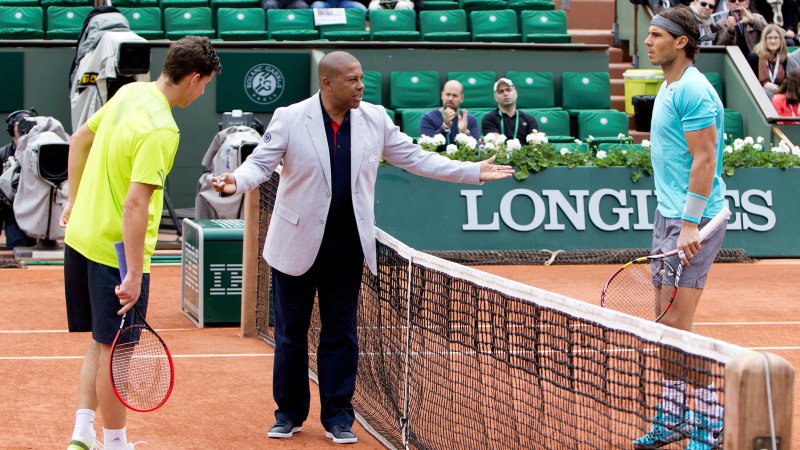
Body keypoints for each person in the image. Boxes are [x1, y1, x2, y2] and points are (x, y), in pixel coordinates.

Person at [210, 51, 513, 445]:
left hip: (347, 247)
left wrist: (469, 171)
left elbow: (415, 159)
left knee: (342, 335)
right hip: (295, 242)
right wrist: (236, 181)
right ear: (327, 83)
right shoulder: (289, 117)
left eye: (362, 78)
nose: (361, 86)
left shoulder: (375, 118)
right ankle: (288, 414)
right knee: (289, 335)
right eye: (352, 79)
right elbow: (261, 165)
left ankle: (338, 417)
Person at [60, 36, 220, 450]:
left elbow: (78, 140)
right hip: (116, 252)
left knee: (102, 342)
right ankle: (113, 443)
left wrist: (74, 201)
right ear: (195, 78)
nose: (203, 93)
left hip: (81, 238)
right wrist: (132, 273)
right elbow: (135, 205)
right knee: (119, 355)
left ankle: (81, 435)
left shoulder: (129, 91)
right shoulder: (163, 130)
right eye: (204, 85)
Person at [635, 6, 728, 450]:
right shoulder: (669, 85)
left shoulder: (694, 90)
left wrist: (690, 223)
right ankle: (673, 415)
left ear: (682, 42)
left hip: (696, 220)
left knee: (676, 321)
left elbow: (705, 159)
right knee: (664, 323)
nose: (648, 41)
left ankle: (710, 417)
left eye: (656, 35)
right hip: (668, 216)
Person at [0, 109, 37, 250]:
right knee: (17, 247)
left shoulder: (42, 151)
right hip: (12, 213)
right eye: (20, 125)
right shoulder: (3, 154)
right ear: (11, 129)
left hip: (36, 211)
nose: (25, 128)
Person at [419, 80, 480, 152]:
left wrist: (464, 132)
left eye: (455, 95)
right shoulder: (428, 118)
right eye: (448, 94)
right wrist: (445, 126)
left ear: (461, 98)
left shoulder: (470, 120)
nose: (450, 99)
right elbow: (428, 148)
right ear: (442, 95)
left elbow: (476, 150)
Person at [480, 78, 539, 143]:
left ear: (516, 93)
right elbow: (495, 144)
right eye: (500, 92)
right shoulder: (489, 119)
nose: (505, 94)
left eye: (508, 90)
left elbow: (535, 144)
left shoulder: (529, 119)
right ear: (495, 97)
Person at [747, 24, 788, 98]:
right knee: (768, 91)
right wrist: (765, 84)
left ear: (781, 40)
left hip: (779, 94)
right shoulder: (754, 57)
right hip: (760, 95)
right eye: (769, 38)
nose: (773, 41)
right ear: (764, 40)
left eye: (776, 38)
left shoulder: (784, 58)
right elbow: (749, 83)